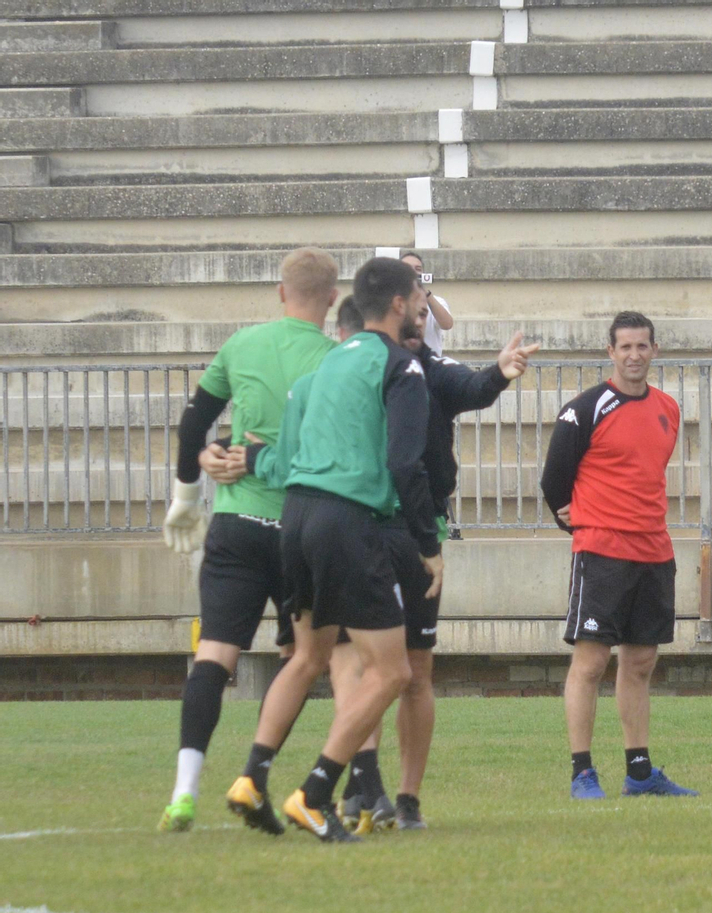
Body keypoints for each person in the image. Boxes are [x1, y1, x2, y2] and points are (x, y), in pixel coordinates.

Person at [223, 256, 439, 843]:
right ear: (397, 303)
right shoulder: (403, 367)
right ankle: (314, 793)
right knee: (393, 671)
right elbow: (404, 462)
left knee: (308, 656)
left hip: (295, 516)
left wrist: (251, 457)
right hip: (348, 521)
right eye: (419, 293)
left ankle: (251, 777)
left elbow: (285, 461)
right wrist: (429, 541)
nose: (423, 302)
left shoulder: (318, 372)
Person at [328, 306, 538, 832]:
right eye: (411, 310)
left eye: (424, 312)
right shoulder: (350, 369)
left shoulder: (427, 367)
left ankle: (406, 799)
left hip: (418, 529)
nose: (418, 319)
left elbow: (468, 387)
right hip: (360, 527)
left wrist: (497, 373)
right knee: (365, 664)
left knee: (416, 671)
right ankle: (361, 782)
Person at [155, 247, 338, 832]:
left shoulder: (242, 344)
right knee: (300, 661)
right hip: (299, 530)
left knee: (213, 656)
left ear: (281, 293)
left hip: (235, 527)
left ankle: (184, 790)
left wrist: (187, 494)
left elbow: (193, 421)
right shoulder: (337, 360)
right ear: (332, 300)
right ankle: (254, 778)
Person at [540, 311, 697, 799]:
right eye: (624, 347)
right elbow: (553, 481)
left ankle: (640, 771)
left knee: (642, 660)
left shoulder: (668, 408)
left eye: (642, 346)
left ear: (655, 351)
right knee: (591, 663)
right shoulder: (585, 408)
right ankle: (582, 772)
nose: (634, 355)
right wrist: (581, 521)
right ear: (610, 352)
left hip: (654, 548)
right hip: (603, 551)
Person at [401, 252, 453, 355]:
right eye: (407, 268)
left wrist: (427, 295)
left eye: (418, 269)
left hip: (429, 367)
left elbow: (447, 324)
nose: (413, 273)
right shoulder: (389, 301)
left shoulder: (436, 301)